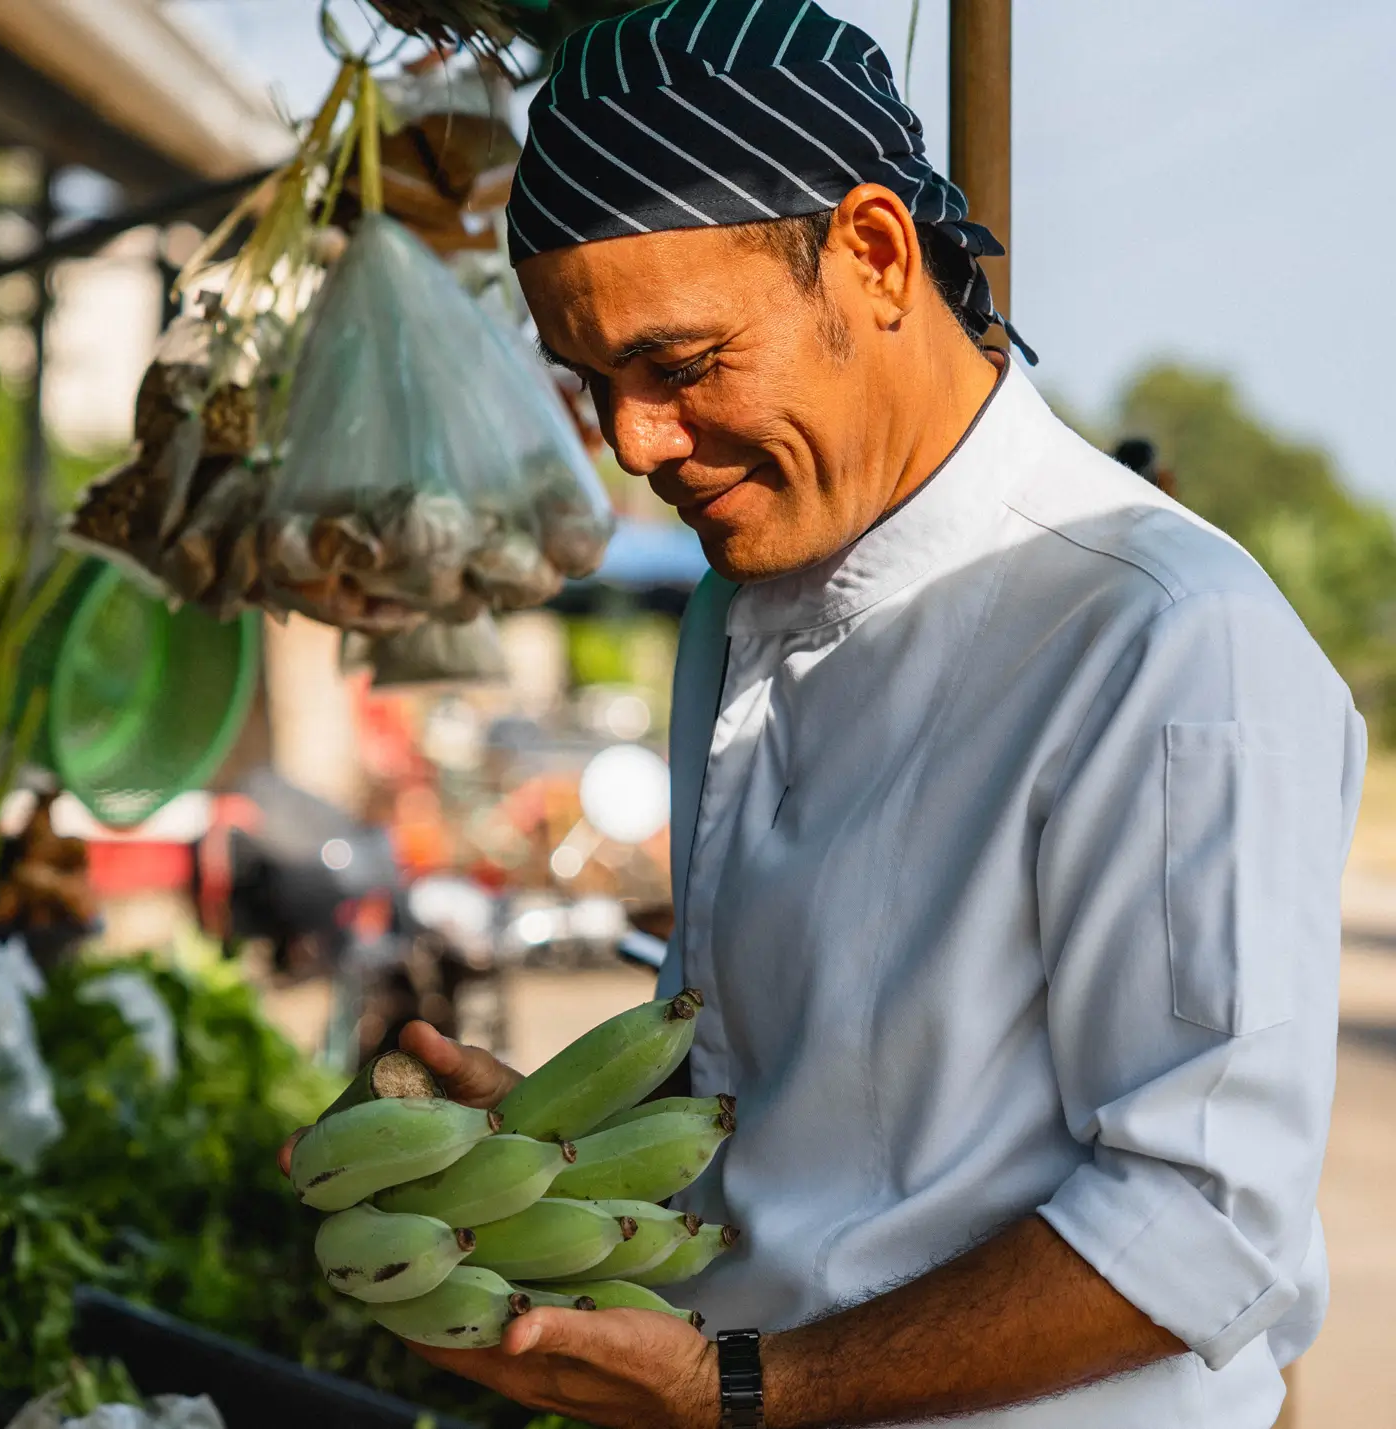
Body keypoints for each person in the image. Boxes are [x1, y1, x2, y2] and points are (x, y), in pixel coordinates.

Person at [280, 2, 1362, 1425]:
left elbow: (1208, 1221)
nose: (637, 445)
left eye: (677, 364)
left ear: (873, 254)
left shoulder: (1161, 639)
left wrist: (750, 1389)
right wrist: (555, 1159)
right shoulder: (748, 599)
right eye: (589, 382)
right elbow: (824, 1136)